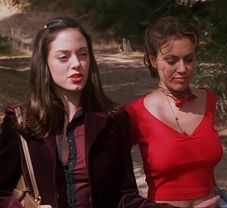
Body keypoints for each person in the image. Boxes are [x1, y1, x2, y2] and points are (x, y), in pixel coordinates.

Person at [0, 17, 175, 208]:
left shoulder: (113, 119)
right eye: (63, 57)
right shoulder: (21, 121)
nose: (76, 63)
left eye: (83, 54)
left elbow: (125, 197)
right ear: (44, 62)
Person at [125, 16, 223, 208]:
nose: (182, 68)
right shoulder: (135, 113)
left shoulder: (209, 100)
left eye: (189, 59)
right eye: (171, 60)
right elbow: (115, 178)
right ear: (153, 60)